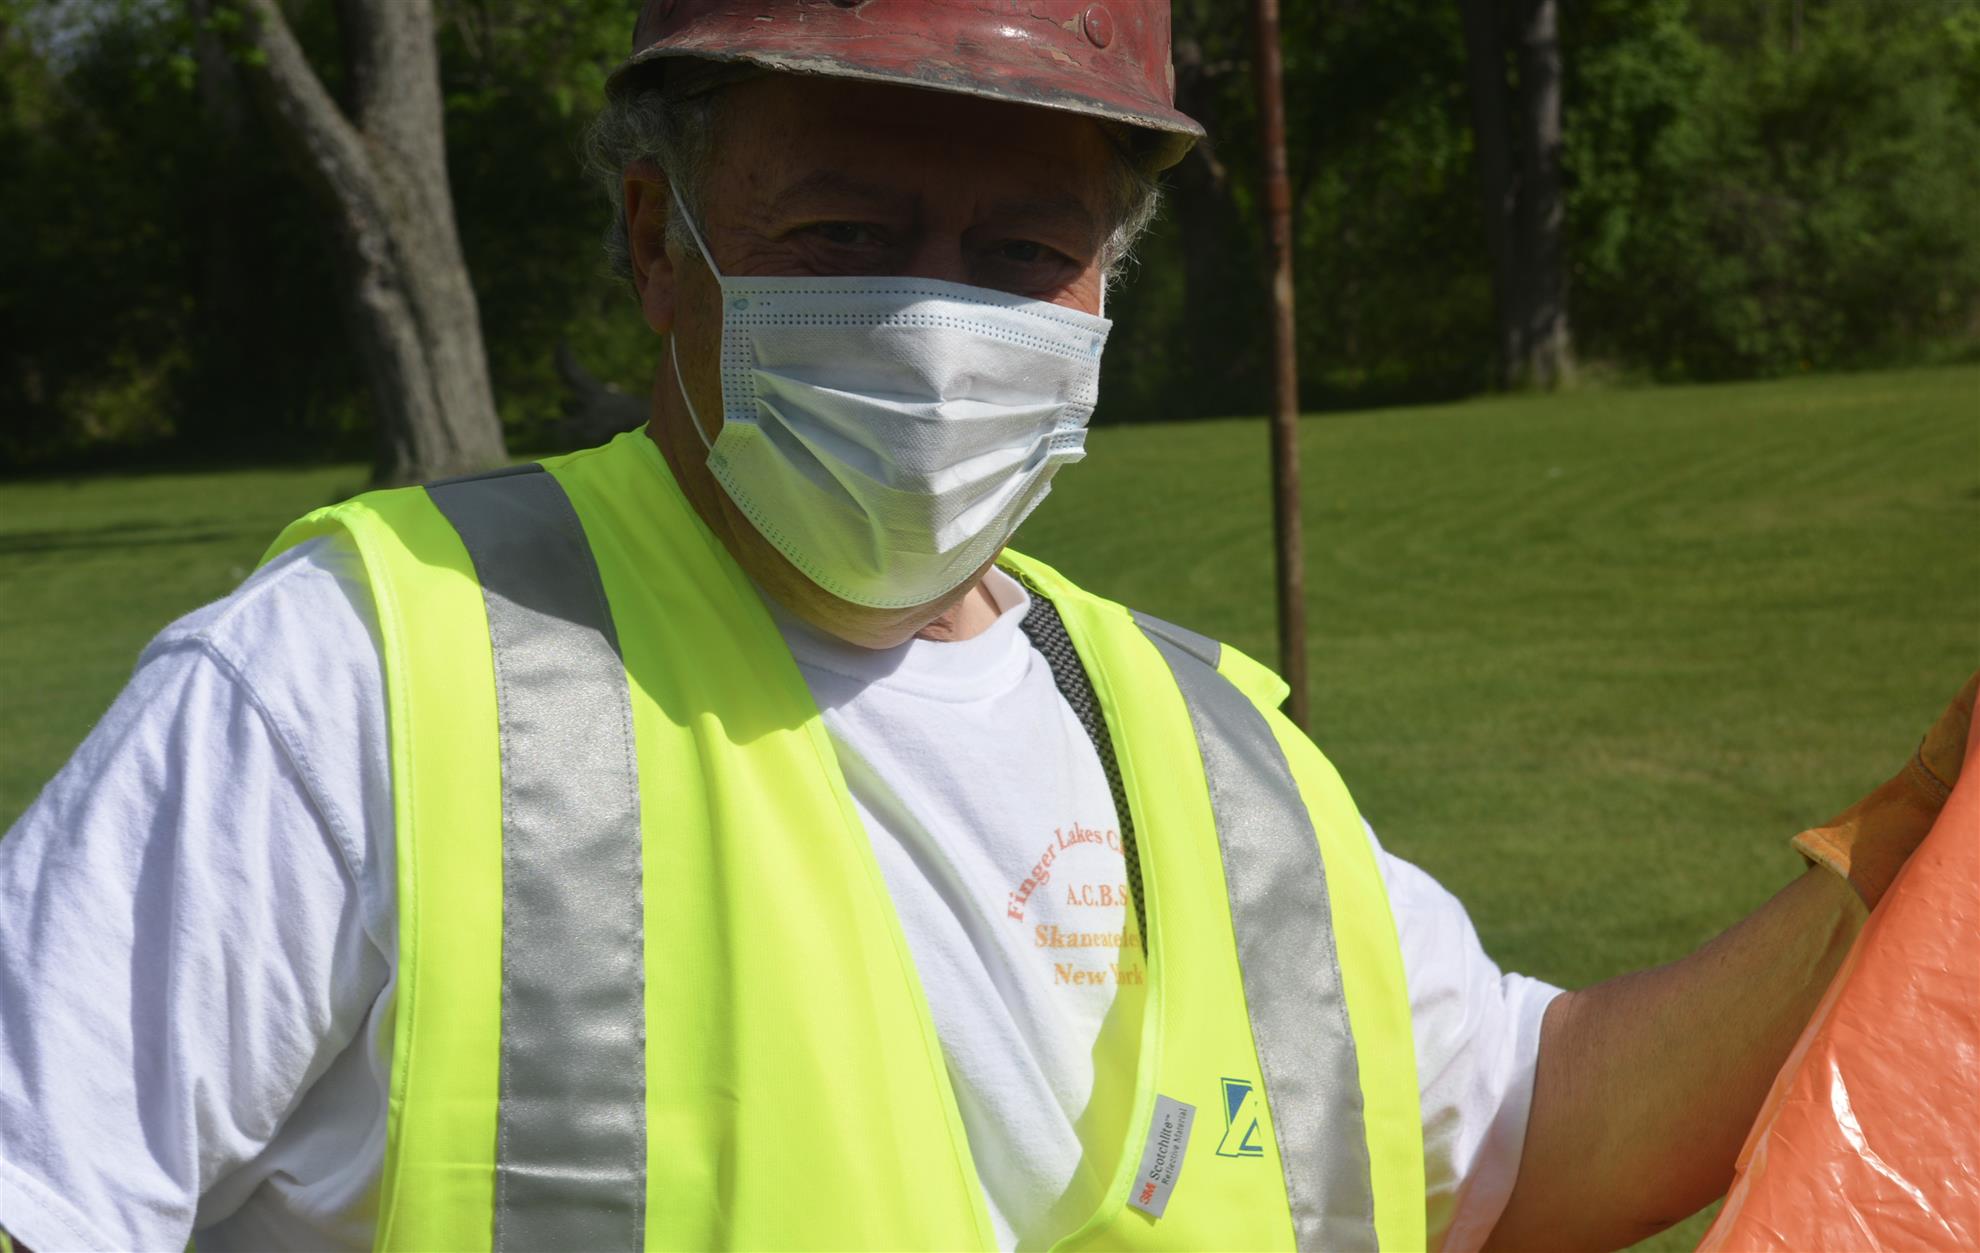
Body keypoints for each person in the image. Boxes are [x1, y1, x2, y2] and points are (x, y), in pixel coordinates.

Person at [0, 3, 1969, 1250]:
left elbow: (1526, 1130)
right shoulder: (363, 674)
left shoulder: (1213, 754)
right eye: (846, 239)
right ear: (656, 247)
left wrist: (1930, 826)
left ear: (1105, 295)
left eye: (1020, 254)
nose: (938, 323)